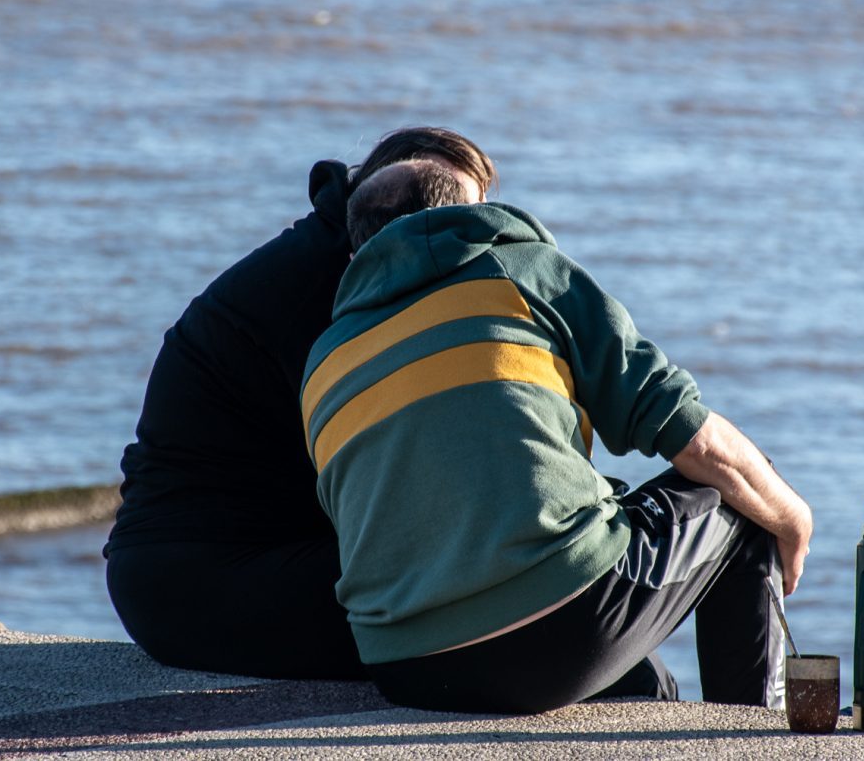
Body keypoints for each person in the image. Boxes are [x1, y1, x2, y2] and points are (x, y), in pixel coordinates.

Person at [301, 159, 814, 713]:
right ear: (471, 216)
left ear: (357, 252)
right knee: (745, 490)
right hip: (562, 623)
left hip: (407, 667)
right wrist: (794, 518)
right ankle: (745, 739)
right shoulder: (520, 270)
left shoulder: (324, 363)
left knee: (649, 689)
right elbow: (692, 437)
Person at [103, 128, 497, 679]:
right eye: (458, 219)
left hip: (201, 569)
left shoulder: (334, 257)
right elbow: (404, 467)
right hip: (207, 584)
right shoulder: (329, 289)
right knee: (503, 594)